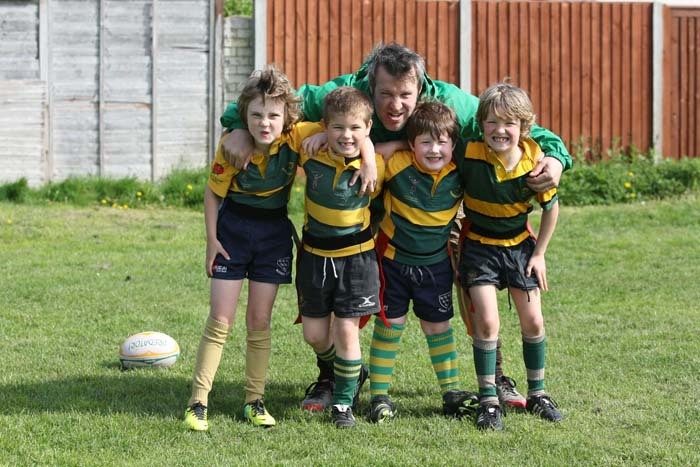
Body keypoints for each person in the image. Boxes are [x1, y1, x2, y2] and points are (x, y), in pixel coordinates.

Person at [219, 43, 572, 410]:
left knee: (471, 283)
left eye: (405, 95)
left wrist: (556, 159)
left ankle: (495, 376)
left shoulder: (450, 102)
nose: (396, 105)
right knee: (339, 293)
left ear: (422, 87)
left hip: (435, 206)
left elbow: (520, 125)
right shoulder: (342, 94)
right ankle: (334, 376)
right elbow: (277, 100)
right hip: (361, 206)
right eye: (386, 94)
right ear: (370, 85)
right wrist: (238, 127)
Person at [184, 65, 309, 431]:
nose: (264, 123)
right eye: (255, 115)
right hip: (232, 233)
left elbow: (342, 127)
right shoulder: (232, 146)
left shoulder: (297, 138)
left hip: (273, 236)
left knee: (259, 321)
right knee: (220, 319)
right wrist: (212, 241)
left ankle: (254, 401)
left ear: (287, 117)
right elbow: (212, 194)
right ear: (244, 116)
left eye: (272, 115)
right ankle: (197, 402)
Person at [458, 81, 563, 431]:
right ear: (480, 124)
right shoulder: (469, 151)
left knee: (533, 321)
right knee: (488, 323)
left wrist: (540, 254)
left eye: (509, 123)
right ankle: (488, 400)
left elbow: (551, 208)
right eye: (492, 122)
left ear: (524, 127)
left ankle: (538, 393)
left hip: (520, 248)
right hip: (480, 248)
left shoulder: (535, 160)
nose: (499, 130)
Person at [368, 101, 478, 423]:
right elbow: (370, 154)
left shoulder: (459, 174)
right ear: (411, 144)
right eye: (425, 142)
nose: (434, 150)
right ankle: (379, 396)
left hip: (435, 265)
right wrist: (393, 147)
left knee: (438, 326)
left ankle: (451, 393)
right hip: (393, 263)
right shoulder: (397, 164)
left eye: (442, 142)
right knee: (390, 326)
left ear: (453, 145)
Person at [295, 86, 385, 428]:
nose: (346, 135)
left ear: (368, 128)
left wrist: (369, 155)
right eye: (337, 128)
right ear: (324, 126)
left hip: (356, 260)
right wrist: (319, 135)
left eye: (355, 128)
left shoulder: (375, 165)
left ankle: (343, 404)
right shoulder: (310, 147)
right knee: (315, 335)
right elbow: (282, 130)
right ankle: (351, 371)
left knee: (347, 330)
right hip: (314, 257)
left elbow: (400, 148)